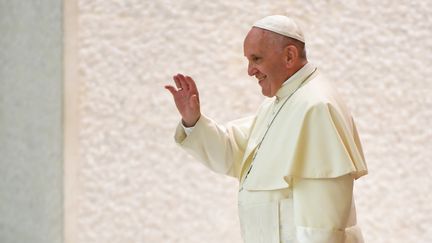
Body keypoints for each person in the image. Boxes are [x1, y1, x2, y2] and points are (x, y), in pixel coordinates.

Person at [165, 15, 367, 243]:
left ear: (289, 56)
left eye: (256, 59)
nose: (250, 71)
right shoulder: (281, 102)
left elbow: (323, 220)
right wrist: (194, 121)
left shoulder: (317, 106)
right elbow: (234, 152)